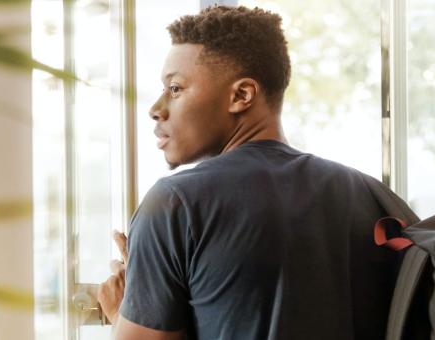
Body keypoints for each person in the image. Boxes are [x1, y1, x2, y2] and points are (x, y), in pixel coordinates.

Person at [95, 5, 400, 340]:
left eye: (176, 89)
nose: (156, 109)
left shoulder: (175, 204)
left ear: (241, 95)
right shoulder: (370, 195)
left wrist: (122, 311)